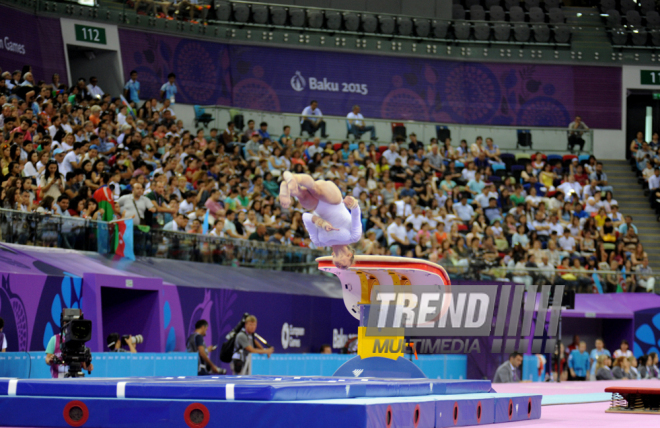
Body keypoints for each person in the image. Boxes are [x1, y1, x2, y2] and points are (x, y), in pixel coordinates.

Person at [279, 171, 361, 269]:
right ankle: (294, 177)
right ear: (349, 255)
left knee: (297, 193)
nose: (340, 267)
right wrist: (353, 202)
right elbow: (356, 214)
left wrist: (321, 223)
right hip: (335, 201)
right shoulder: (353, 237)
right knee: (315, 190)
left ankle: (285, 184)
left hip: (316, 206)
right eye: (345, 266)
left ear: (332, 255)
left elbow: (306, 217)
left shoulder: (320, 243)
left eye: (340, 267)